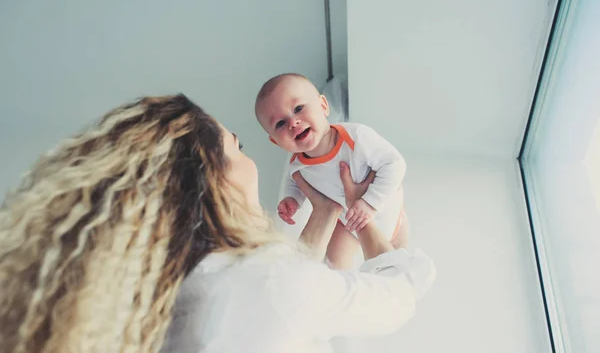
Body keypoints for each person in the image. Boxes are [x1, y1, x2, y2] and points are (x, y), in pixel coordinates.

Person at [0, 94, 434, 353]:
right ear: (215, 176)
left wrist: (323, 212)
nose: (250, 161)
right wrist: (373, 224)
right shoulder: (263, 284)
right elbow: (397, 298)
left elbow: (287, 285)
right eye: (238, 146)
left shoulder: (168, 303)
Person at [255, 73, 410, 269]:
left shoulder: (357, 138)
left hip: (388, 208)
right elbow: (293, 181)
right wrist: (292, 199)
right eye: (280, 123)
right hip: (347, 222)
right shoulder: (297, 164)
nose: (293, 123)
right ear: (275, 141)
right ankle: (344, 290)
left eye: (298, 108)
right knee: (334, 262)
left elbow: (394, 164)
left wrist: (369, 203)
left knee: (397, 257)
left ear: (323, 106)